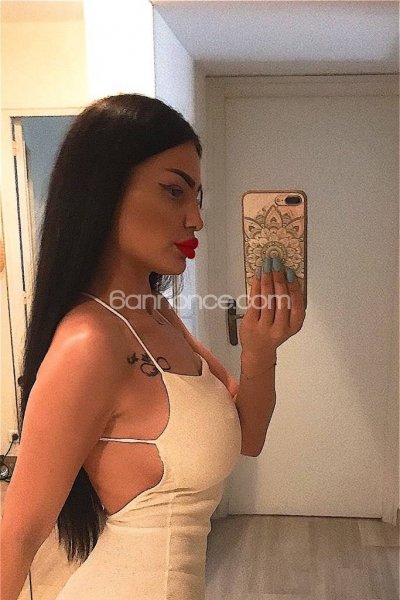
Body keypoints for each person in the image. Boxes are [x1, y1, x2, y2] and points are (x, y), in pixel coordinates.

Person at [1, 93, 305, 600]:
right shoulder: (90, 342)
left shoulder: (157, 316)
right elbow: (19, 531)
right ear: (102, 190)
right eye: (173, 191)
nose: (196, 219)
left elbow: (248, 436)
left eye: (197, 197)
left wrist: (260, 350)